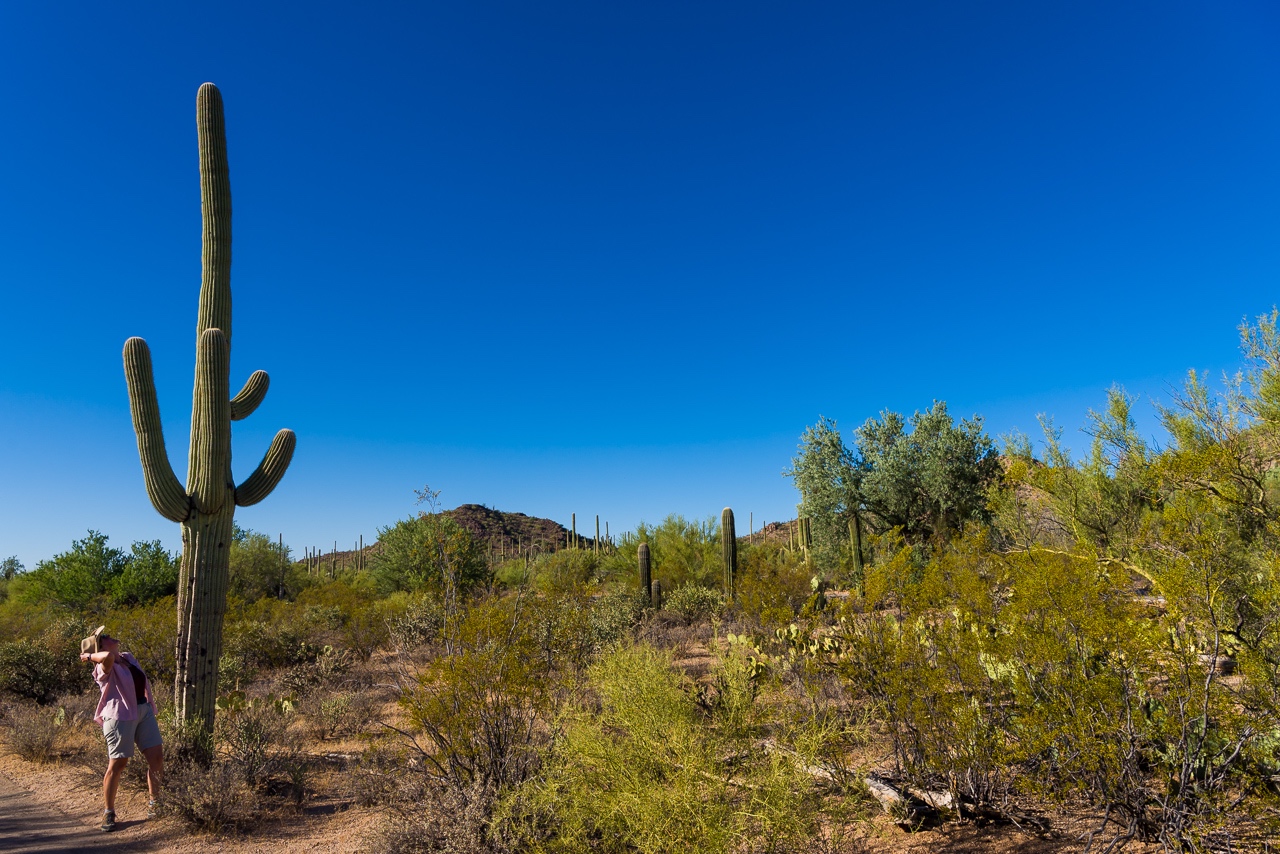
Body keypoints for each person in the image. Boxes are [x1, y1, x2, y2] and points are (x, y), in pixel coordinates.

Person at [79, 625, 163, 832]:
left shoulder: (128, 657)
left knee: (157, 758)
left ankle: (155, 804)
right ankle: (108, 812)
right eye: (105, 637)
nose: (110, 636)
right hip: (120, 716)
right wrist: (89, 657)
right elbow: (106, 657)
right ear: (99, 646)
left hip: (143, 709)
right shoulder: (102, 667)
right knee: (117, 764)